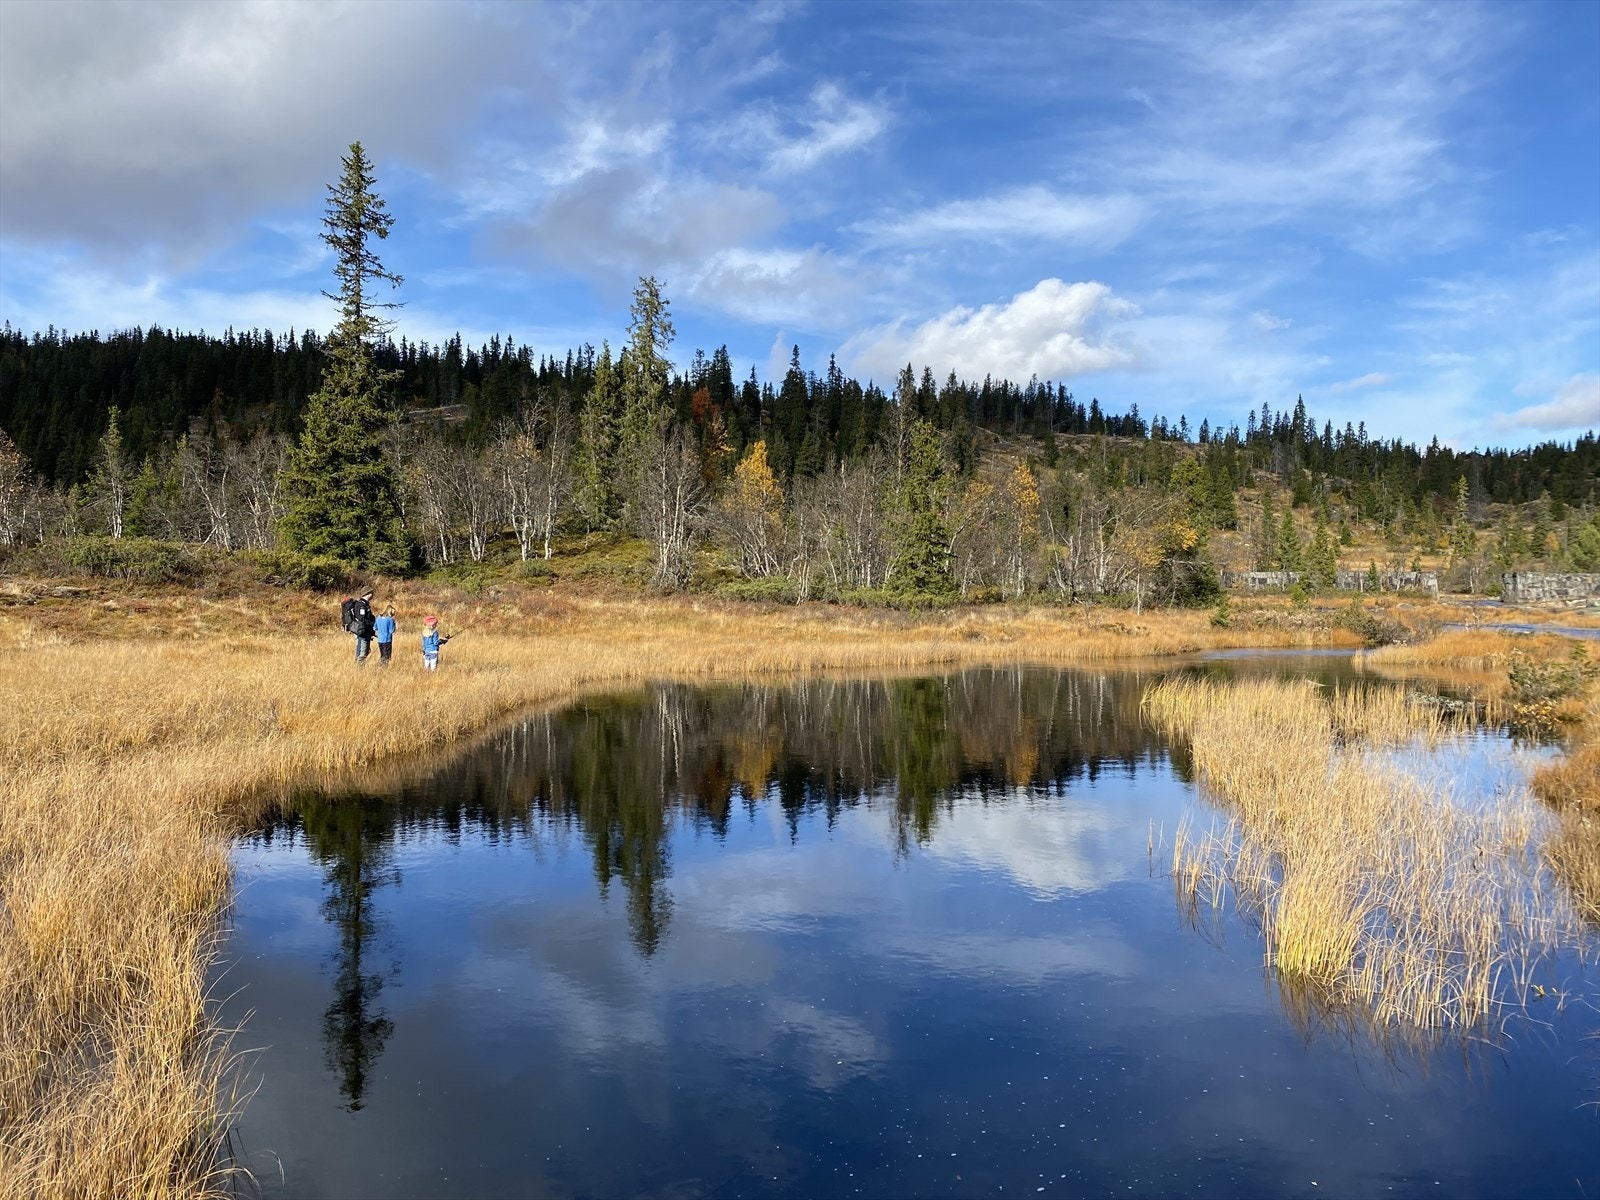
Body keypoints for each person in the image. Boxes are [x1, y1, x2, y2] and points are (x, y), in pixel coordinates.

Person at [350, 589, 377, 664]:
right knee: (361, 653)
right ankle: (359, 669)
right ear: (368, 593)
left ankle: (361, 668)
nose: (373, 595)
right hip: (362, 633)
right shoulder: (361, 605)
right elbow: (362, 619)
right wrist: (372, 624)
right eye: (371, 593)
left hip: (366, 632)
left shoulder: (365, 604)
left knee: (365, 652)